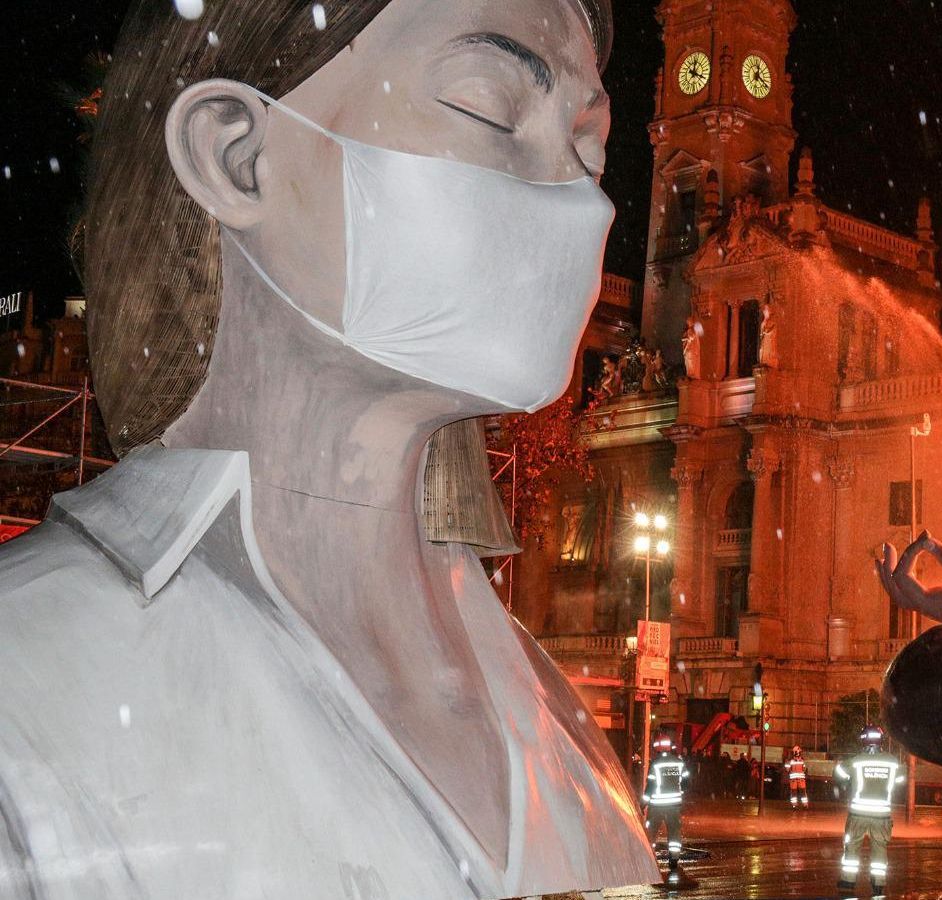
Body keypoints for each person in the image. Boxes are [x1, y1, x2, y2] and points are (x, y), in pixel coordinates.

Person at [0, 1, 658, 897]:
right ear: (233, 154)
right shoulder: (31, 678)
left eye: (591, 146)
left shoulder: (553, 714)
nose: (581, 197)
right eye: (492, 108)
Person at [835, 724, 904, 896]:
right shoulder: (893, 762)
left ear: (863, 741)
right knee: (880, 850)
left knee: (852, 847)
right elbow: (901, 781)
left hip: (858, 814)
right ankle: (878, 884)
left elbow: (839, 773)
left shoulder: (857, 760)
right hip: (882, 816)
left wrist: (848, 784)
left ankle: (848, 881)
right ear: (881, 741)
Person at [644, 733, 690, 875]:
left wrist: (642, 804)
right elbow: (687, 783)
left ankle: (649, 857)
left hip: (657, 805)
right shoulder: (679, 762)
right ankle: (674, 859)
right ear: (670, 747)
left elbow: (650, 786)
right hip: (674, 805)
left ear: (657, 747)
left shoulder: (655, 764)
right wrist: (679, 791)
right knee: (674, 831)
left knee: (651, 832)